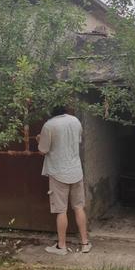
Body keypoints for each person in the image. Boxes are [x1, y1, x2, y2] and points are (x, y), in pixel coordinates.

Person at [38, 105, 91, 255]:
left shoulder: (49, 125)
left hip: (58, 172)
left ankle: (61, 246)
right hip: (76, 171)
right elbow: (77, 141)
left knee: (61, 210)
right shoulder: (75, 121)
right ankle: (85, 243)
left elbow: (43, 150)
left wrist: (39, 140)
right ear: (65, 110)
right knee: (79, 207)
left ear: (51, 112)